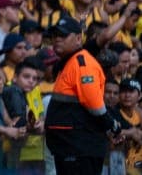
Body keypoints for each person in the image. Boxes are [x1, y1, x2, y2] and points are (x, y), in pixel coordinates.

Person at [43, 18, 115, 175]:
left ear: (78, 38)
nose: (57, 40)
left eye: (63, 35)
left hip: (79, 148)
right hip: (71, 146)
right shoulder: (69, 62)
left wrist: (111, 125)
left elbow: (94, 104)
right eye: (55, 36)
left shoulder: (82, 63)